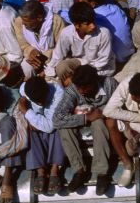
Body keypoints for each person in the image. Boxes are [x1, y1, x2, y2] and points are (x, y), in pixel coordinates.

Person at [51, 64, 119, 195]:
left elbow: (121, 106)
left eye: (85, 87)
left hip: (104, 121)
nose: (81, 91)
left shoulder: (110, 84)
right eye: (79, 88)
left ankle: (102, 173)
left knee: (99, 123)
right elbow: (57, 119)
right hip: (82, 119)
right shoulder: (73, 90)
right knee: (63, 128)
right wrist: (86, 118)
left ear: (94, 82)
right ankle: (78, 170)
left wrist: (102, 113)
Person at [21, 76, 67, 196]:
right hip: (37, 127)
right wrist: (32, 120)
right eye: (37, 101)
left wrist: (27, 112)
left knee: (58, 128)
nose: (40, 103)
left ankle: (54, 170)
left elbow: (50, 125)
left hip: (53, 127)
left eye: (42, 99)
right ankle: (40, 171)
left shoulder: (58, 93)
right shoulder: (24, 90)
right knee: (30, 129)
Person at [46, 2, 115, 81]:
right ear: (76, 25)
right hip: (79, 64)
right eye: (87, 24)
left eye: (93, 21)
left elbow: (103, 61)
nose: (93, 26)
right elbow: (58, 55)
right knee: (61, 68)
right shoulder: (66, 33)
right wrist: (49, 70)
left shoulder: (104, 33)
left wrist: (82, 72)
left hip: (99, 69)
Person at [79, 0, 135, 64]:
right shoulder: (115, 8)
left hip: (116, 60)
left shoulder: (94, 16)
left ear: (93, 3)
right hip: (129, 52)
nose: (79, 0)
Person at [15, 0, 65, 79]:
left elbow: (61, 48)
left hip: (53, 58)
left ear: (39, 18)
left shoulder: (56, 21)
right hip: (32, 57)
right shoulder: (19, 21)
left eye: (27, 21)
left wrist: (43, 57)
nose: (24, 24)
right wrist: (31, 51)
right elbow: (23, 44)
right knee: (26, 67)